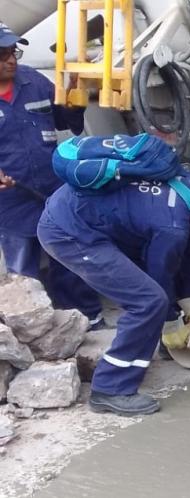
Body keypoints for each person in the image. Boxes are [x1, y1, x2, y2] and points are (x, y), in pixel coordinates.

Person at [37, 165, 190, 417]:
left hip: (90, 218)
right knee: (149, 301)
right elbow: (159, 277)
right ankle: (110, 388)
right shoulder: (173, 226)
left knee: (158, 291)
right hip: (69, 232)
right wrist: (170, 322)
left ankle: (166, 345)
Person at [0, 22, 103, 327]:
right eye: (2, 53)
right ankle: (31, 332)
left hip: (52, 190)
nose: (11, 59)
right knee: (23, 272)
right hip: (12, 202)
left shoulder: (33, 81)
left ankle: (87, 318)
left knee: (69, 258)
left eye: (14, 51)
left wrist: (74, 96)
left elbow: (64, 121)